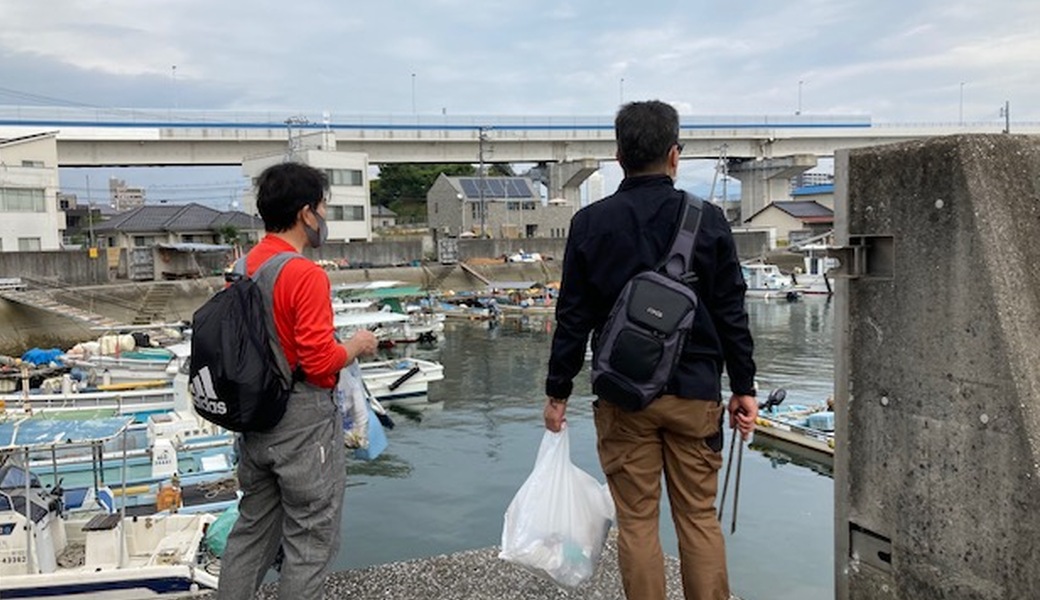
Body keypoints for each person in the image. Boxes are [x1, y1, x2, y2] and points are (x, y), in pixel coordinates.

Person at [544, 100, 758, 600]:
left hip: (624, 396)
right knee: (699, 518)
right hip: (696, 395)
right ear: (674, 154)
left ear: (619, 155)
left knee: (638, 523)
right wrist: (743, 386)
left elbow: (573, 317)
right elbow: (731, 311)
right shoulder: (708, 220)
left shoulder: (591, 222)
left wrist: (557, 392)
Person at [217, 162, 378, 600]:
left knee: (251, 532)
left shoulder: (243, 266)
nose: (324, 216)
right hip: (302, 422)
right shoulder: (304, 273)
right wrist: (358, 344)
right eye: (323, 206)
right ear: (307, 213)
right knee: (310, 538)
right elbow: (318, 361)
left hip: (254, 418)